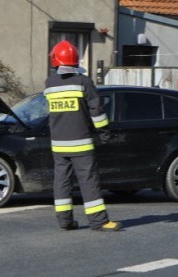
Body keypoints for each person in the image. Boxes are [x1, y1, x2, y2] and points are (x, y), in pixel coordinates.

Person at [43, 40, 121, 232]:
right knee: (88, 181)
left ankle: (65, 221)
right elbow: (97, 111)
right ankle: (99, 221)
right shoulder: (83, 82)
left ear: (55, 60)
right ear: (75, 61)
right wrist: (104, 133)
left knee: (61, 182)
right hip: (81, 143)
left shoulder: (50, 83)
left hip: (59, 144)